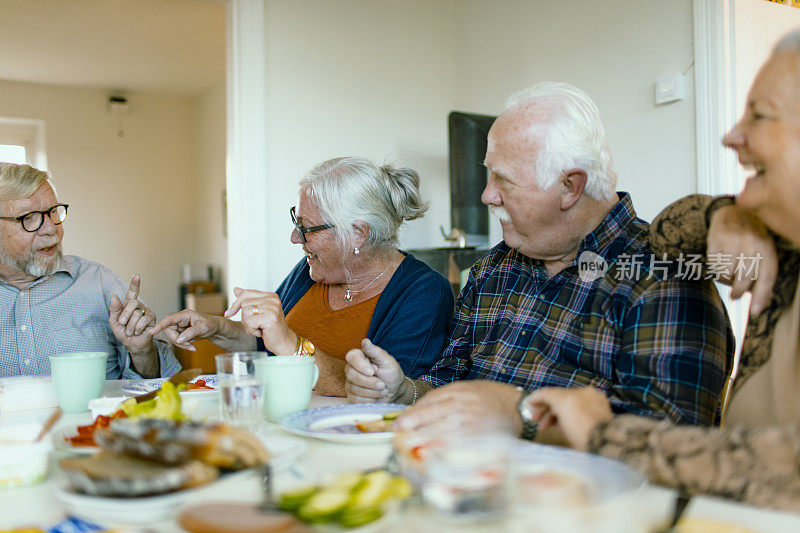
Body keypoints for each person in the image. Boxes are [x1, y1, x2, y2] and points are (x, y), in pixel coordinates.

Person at [516, 29, 800, 512]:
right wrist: (722, 216)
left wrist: (603, 433)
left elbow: (786, 471)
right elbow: (666, 228)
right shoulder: (781, 240)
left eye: (760, 116)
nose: (731, 135)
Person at [346, 82, 734, 428]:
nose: (487, 195)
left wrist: (520, 413)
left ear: (570, 187)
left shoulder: (664, 277)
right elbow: (448, 382)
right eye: (488, 174)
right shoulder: (493, 270)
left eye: (504, 179)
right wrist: (404, 391)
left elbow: (667, 447)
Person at [150, 157, 454, 397]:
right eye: (296, 221)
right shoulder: (313, 271)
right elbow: (265, 343)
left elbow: (382, 390)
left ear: (358, 233)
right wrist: (215, 326)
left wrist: (292, 345)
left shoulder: (424, 292)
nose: (295, 237)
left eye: (307, 228)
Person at [0, 163, 180, 379]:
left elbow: (165, 385)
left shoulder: (100, 282)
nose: (51, 229)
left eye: (53, 212)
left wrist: (142, 352)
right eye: (29, 217)